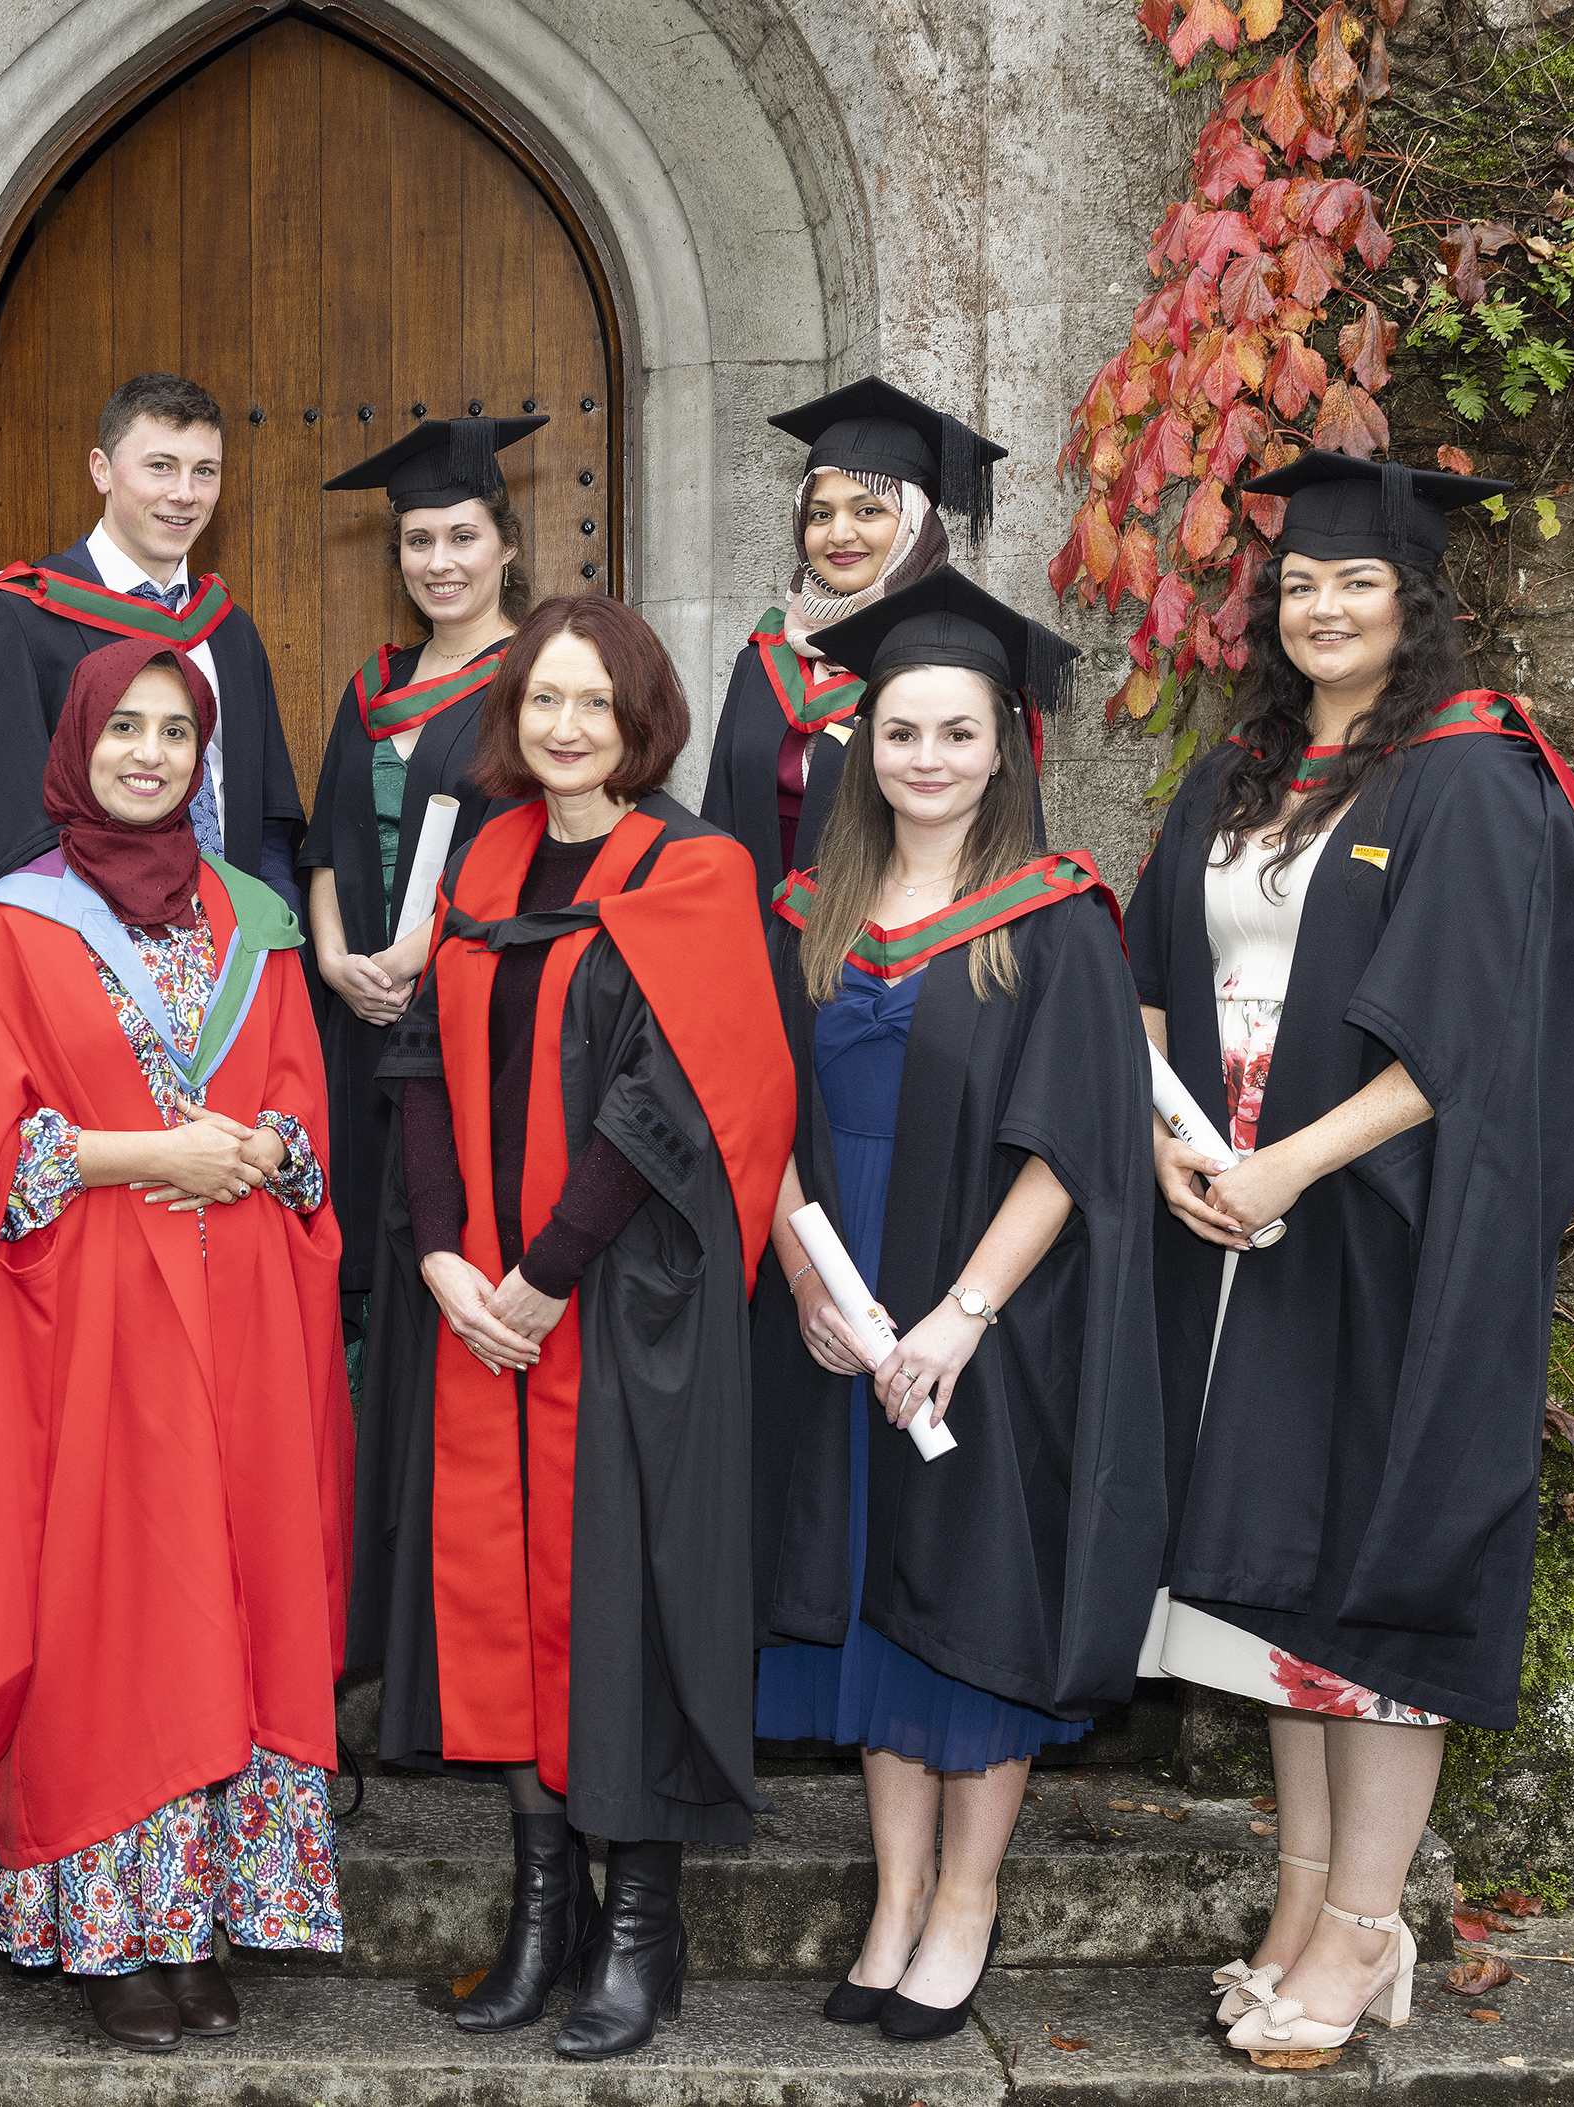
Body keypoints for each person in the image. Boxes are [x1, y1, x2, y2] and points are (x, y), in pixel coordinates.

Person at [1130, 453, 1574, 2064]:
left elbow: (1460, 1038)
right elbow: (1139, 984)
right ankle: (1300, 1902)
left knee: (1374, 1580)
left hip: (1380, 1225)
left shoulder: (1468, 774)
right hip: (1231, 1222)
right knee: (1276, 1580)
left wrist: (1283, 1161)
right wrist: (1173, 1146)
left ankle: (1361, 1929)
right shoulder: (1240, 772)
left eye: (1356, 582)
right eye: (1298, 584)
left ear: (1415, 600)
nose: (1322, 606)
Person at [355, 596, 799, 2063]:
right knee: (507, 1599)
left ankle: (638, 1925)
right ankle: (543, 1907)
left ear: (639, 720)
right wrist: (435, 1252)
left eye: (591, 705)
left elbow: (672, 1097)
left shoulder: (691, 866)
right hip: (479, 1302)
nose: (562, 726)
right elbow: (417, 1063)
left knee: (619, 1595)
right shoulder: (479, 859)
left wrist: (543, 1270)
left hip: (622, 1305)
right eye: (543, 698)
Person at [751, 570, 1163, 2044]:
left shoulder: (1053, 920)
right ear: (861, 743)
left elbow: (1079, 1143)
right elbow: (760, 1117)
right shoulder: (809, 911)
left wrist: (960, 1316)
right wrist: (807, 1277)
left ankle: (968, 1900)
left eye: (958, 733)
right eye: (902, 731)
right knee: (873, 1589)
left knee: (970, 1595)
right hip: (843, 1292)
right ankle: (893, 1891)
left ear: (1007, 748)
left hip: (984, 1309)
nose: (927, 757)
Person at [0, 636, 350, 2053]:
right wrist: (142, 1149)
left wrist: (264, 1148)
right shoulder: (6, 927)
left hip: (238, 1314)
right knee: (119, 1597)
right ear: (79, 744)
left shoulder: (255, 919)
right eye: (128, 730)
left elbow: (302, 1106)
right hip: (92, 1319)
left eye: (178, 732)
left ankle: (207, 1913)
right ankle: (114, 1924)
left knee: (232, 1589)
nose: (152, 753)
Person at [0, 371, 307, 943]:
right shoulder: (15, 620)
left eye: (204, 471)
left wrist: (268, 930)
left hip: (230, 947)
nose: (185, 493)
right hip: (80, 953)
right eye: (160, 466)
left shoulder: (229, 630)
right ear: (102, 470)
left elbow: (265, 814)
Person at [300, 414, 544, 1307]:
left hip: (473, 1001)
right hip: (357, 1006)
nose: (439, 561)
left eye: (462, 537)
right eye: (418, 540)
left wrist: (416, 954)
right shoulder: (374, 685)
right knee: (358, 1238)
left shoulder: (540, 683)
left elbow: (536, 853)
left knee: (451, 1224)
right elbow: (322, 842)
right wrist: (333, 961)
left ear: (507, 546)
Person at [699, 379, 1005, 900]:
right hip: (756, 937)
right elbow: (719, 819)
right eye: (820, 514)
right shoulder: (764, 657)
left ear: (914, 525)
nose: (838, 534)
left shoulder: (961, 665)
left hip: (894, 945)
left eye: (868, 511)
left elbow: (1001, 835)